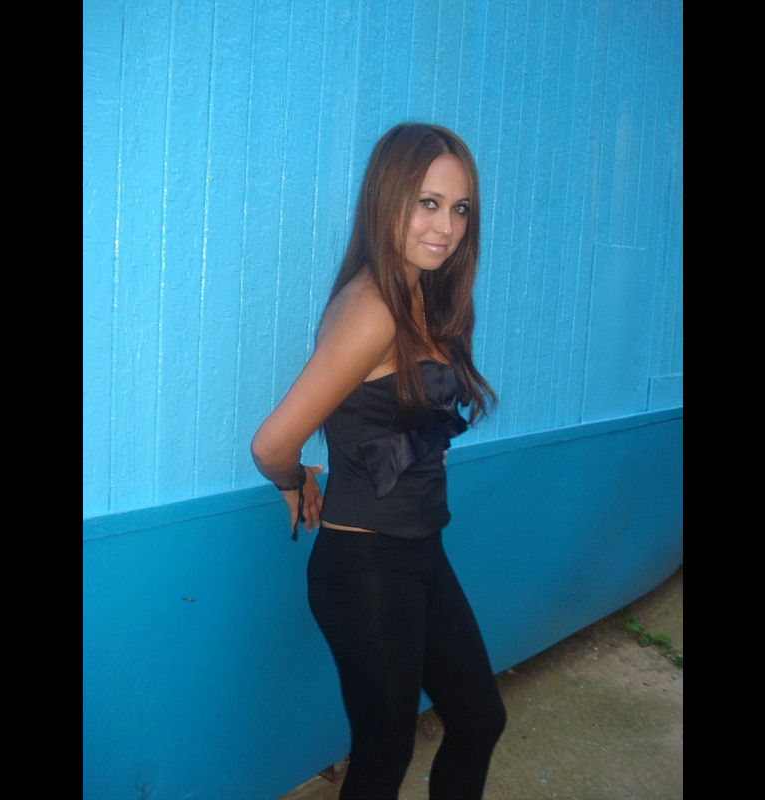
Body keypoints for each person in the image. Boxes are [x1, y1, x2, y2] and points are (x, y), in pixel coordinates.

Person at [251, 122, 506, 800]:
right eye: (428, 203)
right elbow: (272, 444)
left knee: (480, 720)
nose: (447, 227)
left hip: (421, 552)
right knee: (382, 759)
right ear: (388, 199)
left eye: (460, 208)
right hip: (365, 567)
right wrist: (293, 481)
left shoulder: (424, 297)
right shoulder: (373, 310)